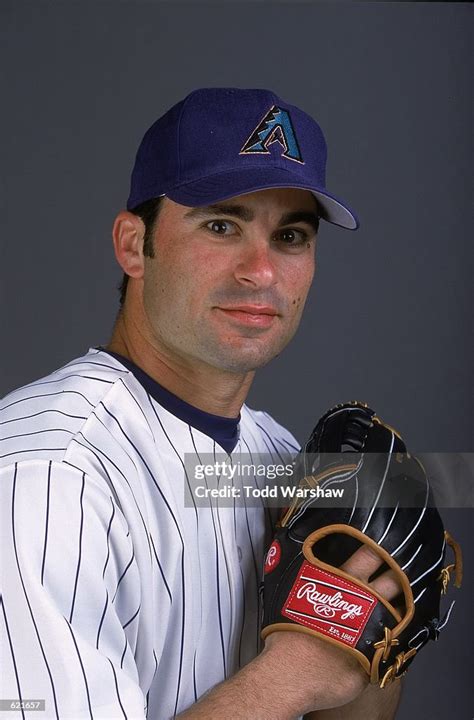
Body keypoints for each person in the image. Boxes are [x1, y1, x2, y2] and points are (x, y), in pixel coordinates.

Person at [0, 88, 402, 719]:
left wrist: (367, 648)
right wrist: (292, 676)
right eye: (222, 225)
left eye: (291, 236)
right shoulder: (44, 472)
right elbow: (297, 683)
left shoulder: (282, 459)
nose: (261, 271)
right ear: (134, 245)